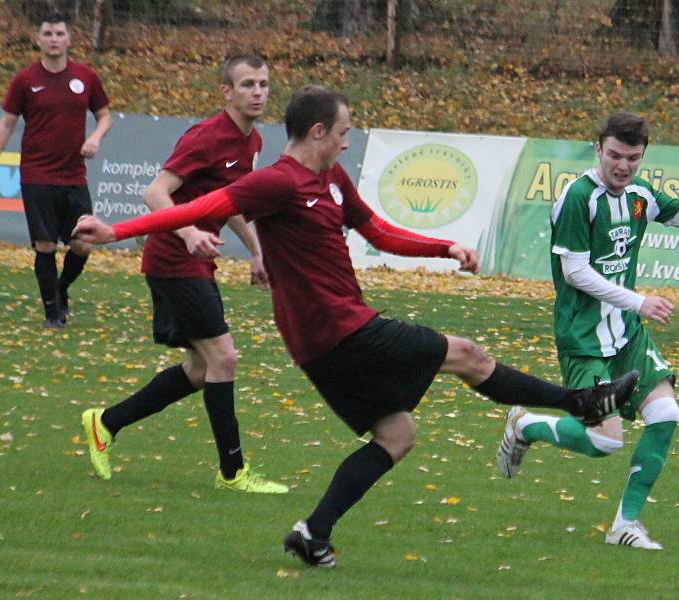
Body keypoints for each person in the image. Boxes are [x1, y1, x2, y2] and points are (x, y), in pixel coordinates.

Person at [73, 85, 640, 567]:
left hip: (325, 344)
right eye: (344, 130)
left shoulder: (333, 177)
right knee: (464, 353)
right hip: (339, 330)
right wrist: (116, 233)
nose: (349, 139)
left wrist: (445, 246)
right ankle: (581, 402)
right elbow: (199, 207)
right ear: (318, 131)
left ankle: (312, 532)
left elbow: (379, 233)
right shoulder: (280, 182)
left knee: (397, 436)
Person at [496, 112, 679, 549]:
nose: (622, 166)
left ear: (642, 156)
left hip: (627, 334)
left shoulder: (640, 193)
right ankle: (526, 426)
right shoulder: (577, 198)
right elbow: (574, 272)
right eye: (614, 155)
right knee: (605, 441)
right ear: (598, 149)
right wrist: (638, 301)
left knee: (666, 414)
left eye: (632, 157)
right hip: (583, 338)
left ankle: (624, 525)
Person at [79, 54, 287, 494]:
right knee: (224, 358)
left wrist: (256, 253)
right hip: (173, 261)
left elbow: (229, 203)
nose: (257, 92)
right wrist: (189, 231)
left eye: (264, 84)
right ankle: (233, 473)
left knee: (200, 368)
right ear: (226, 92)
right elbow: (154, 192)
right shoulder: (207, 137)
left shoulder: (252, 142)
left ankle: (106, 422)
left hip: (195, 262)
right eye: (247, 84)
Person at [0, 13, 111, 328]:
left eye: (59, 33)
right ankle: (52, 314)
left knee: (83, 242)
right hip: (37, 174)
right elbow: (7, 122)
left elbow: (104, 116)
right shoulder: (25, 79)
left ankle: (60, 290)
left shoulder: (86, 77)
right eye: (47, 33)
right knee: (45, 245)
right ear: (38, 39)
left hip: (74, 175)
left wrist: (95, 138)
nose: (53, 38)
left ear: (68, 38)